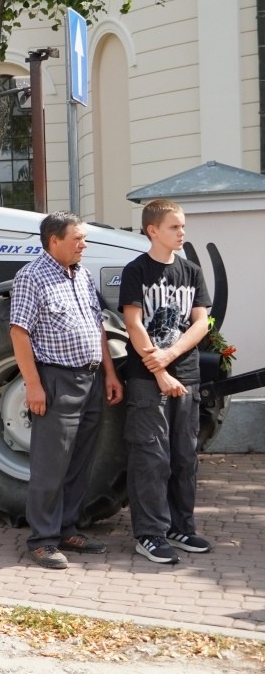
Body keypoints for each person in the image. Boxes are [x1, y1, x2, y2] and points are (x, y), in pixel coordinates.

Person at [9, 211, 123, 570]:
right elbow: (19, 333)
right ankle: (42, 540)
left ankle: (67, 529)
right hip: (57, 380)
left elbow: (97, 327)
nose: (84, 245)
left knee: (78, 463)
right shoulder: (31, 277)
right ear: (53, 240)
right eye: (77, 239)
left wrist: (109, 374)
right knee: (50, 465)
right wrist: (33, 386)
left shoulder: (82, 275)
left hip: (90, 380)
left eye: (84, 238)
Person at [118, 199, 212, 564]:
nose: (182, 232)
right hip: (147, 378)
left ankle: (181, 527)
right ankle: (150, 534)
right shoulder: (136, 271)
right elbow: (134, 324)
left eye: (183, 226)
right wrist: (159, 371)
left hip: (185, 375)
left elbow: (201, 323)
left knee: (184, 456)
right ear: (152, 230)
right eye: (174, 227)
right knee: (151, 456)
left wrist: (171, 358)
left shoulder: (191, 271)